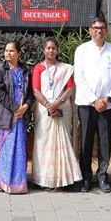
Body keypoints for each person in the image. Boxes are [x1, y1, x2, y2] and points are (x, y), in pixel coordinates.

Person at [73, 16, 111, 193]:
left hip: (107, 105)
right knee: (86, 141)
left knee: (104, 142)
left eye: (102, 28)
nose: (99, 31)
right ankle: (86, 178)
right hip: (87, 104)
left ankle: (102, 177)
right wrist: (94, 100)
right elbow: (79, 77)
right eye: (96, 28)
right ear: (90, 30)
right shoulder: (82, 50)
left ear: (106, 30)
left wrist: (108, 99)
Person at [31, 38, 81, 191]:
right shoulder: (38, 68)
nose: (51, 50)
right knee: (44, 143)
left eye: (53, 48)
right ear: (43, 51)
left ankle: (62, 180)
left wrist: (57, 103)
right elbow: (36, 90)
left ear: (57, 50)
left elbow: (70, 88)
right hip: (43, 109)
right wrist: (48, 105)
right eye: (48, 48)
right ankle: (44, 180)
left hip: (62, 108)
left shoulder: (65, 69)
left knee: (62, 142)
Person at [0, 41, 34, 194]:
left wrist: (25, 107)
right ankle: (3, 182)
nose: (8, 53)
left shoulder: (25, 70)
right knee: (7, 149)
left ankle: (18, 183)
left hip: (22, 116)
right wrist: (16, 108)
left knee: (19, 149)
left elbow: (30, 93)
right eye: (6, 51)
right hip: (6, 115)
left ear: (19, 53)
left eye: (11, 51)